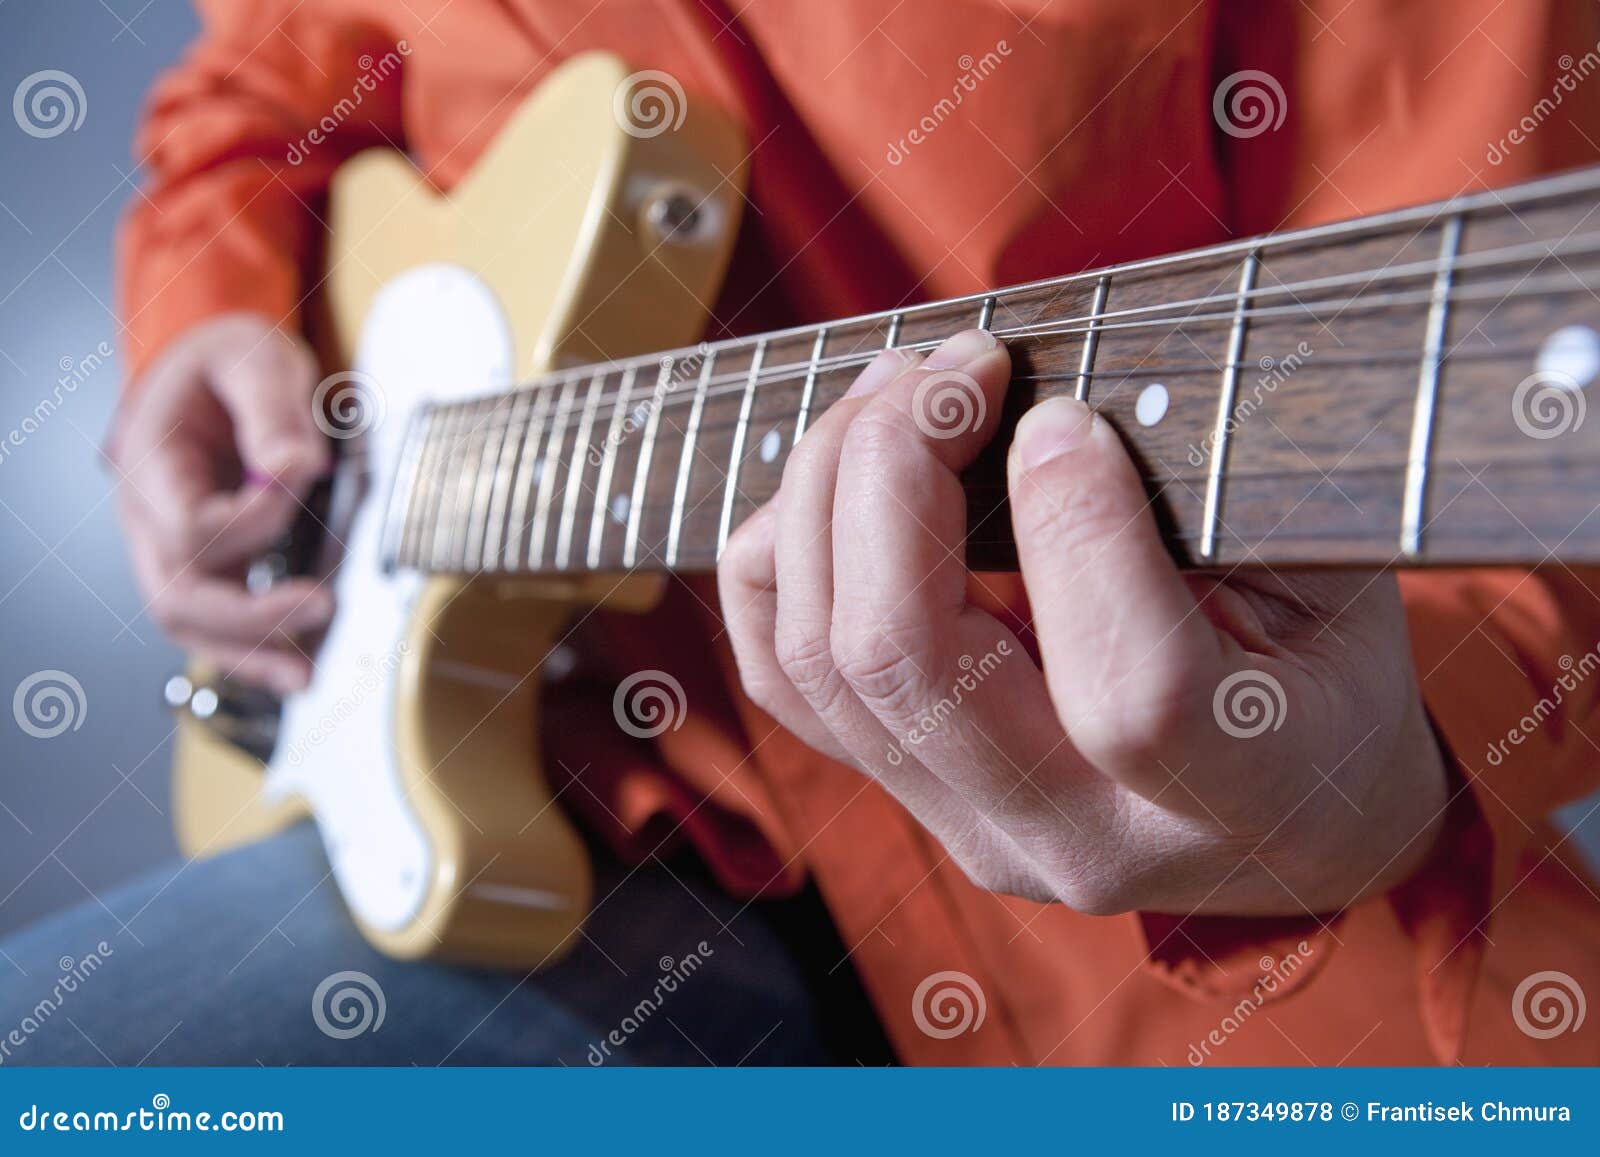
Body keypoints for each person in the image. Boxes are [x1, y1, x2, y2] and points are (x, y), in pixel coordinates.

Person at [2, 0, 1597, 1066]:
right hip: (607, 822)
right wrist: (199, 320)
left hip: (1219, 976)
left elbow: (1511, 413)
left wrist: (1363, 768)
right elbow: (259, 93)